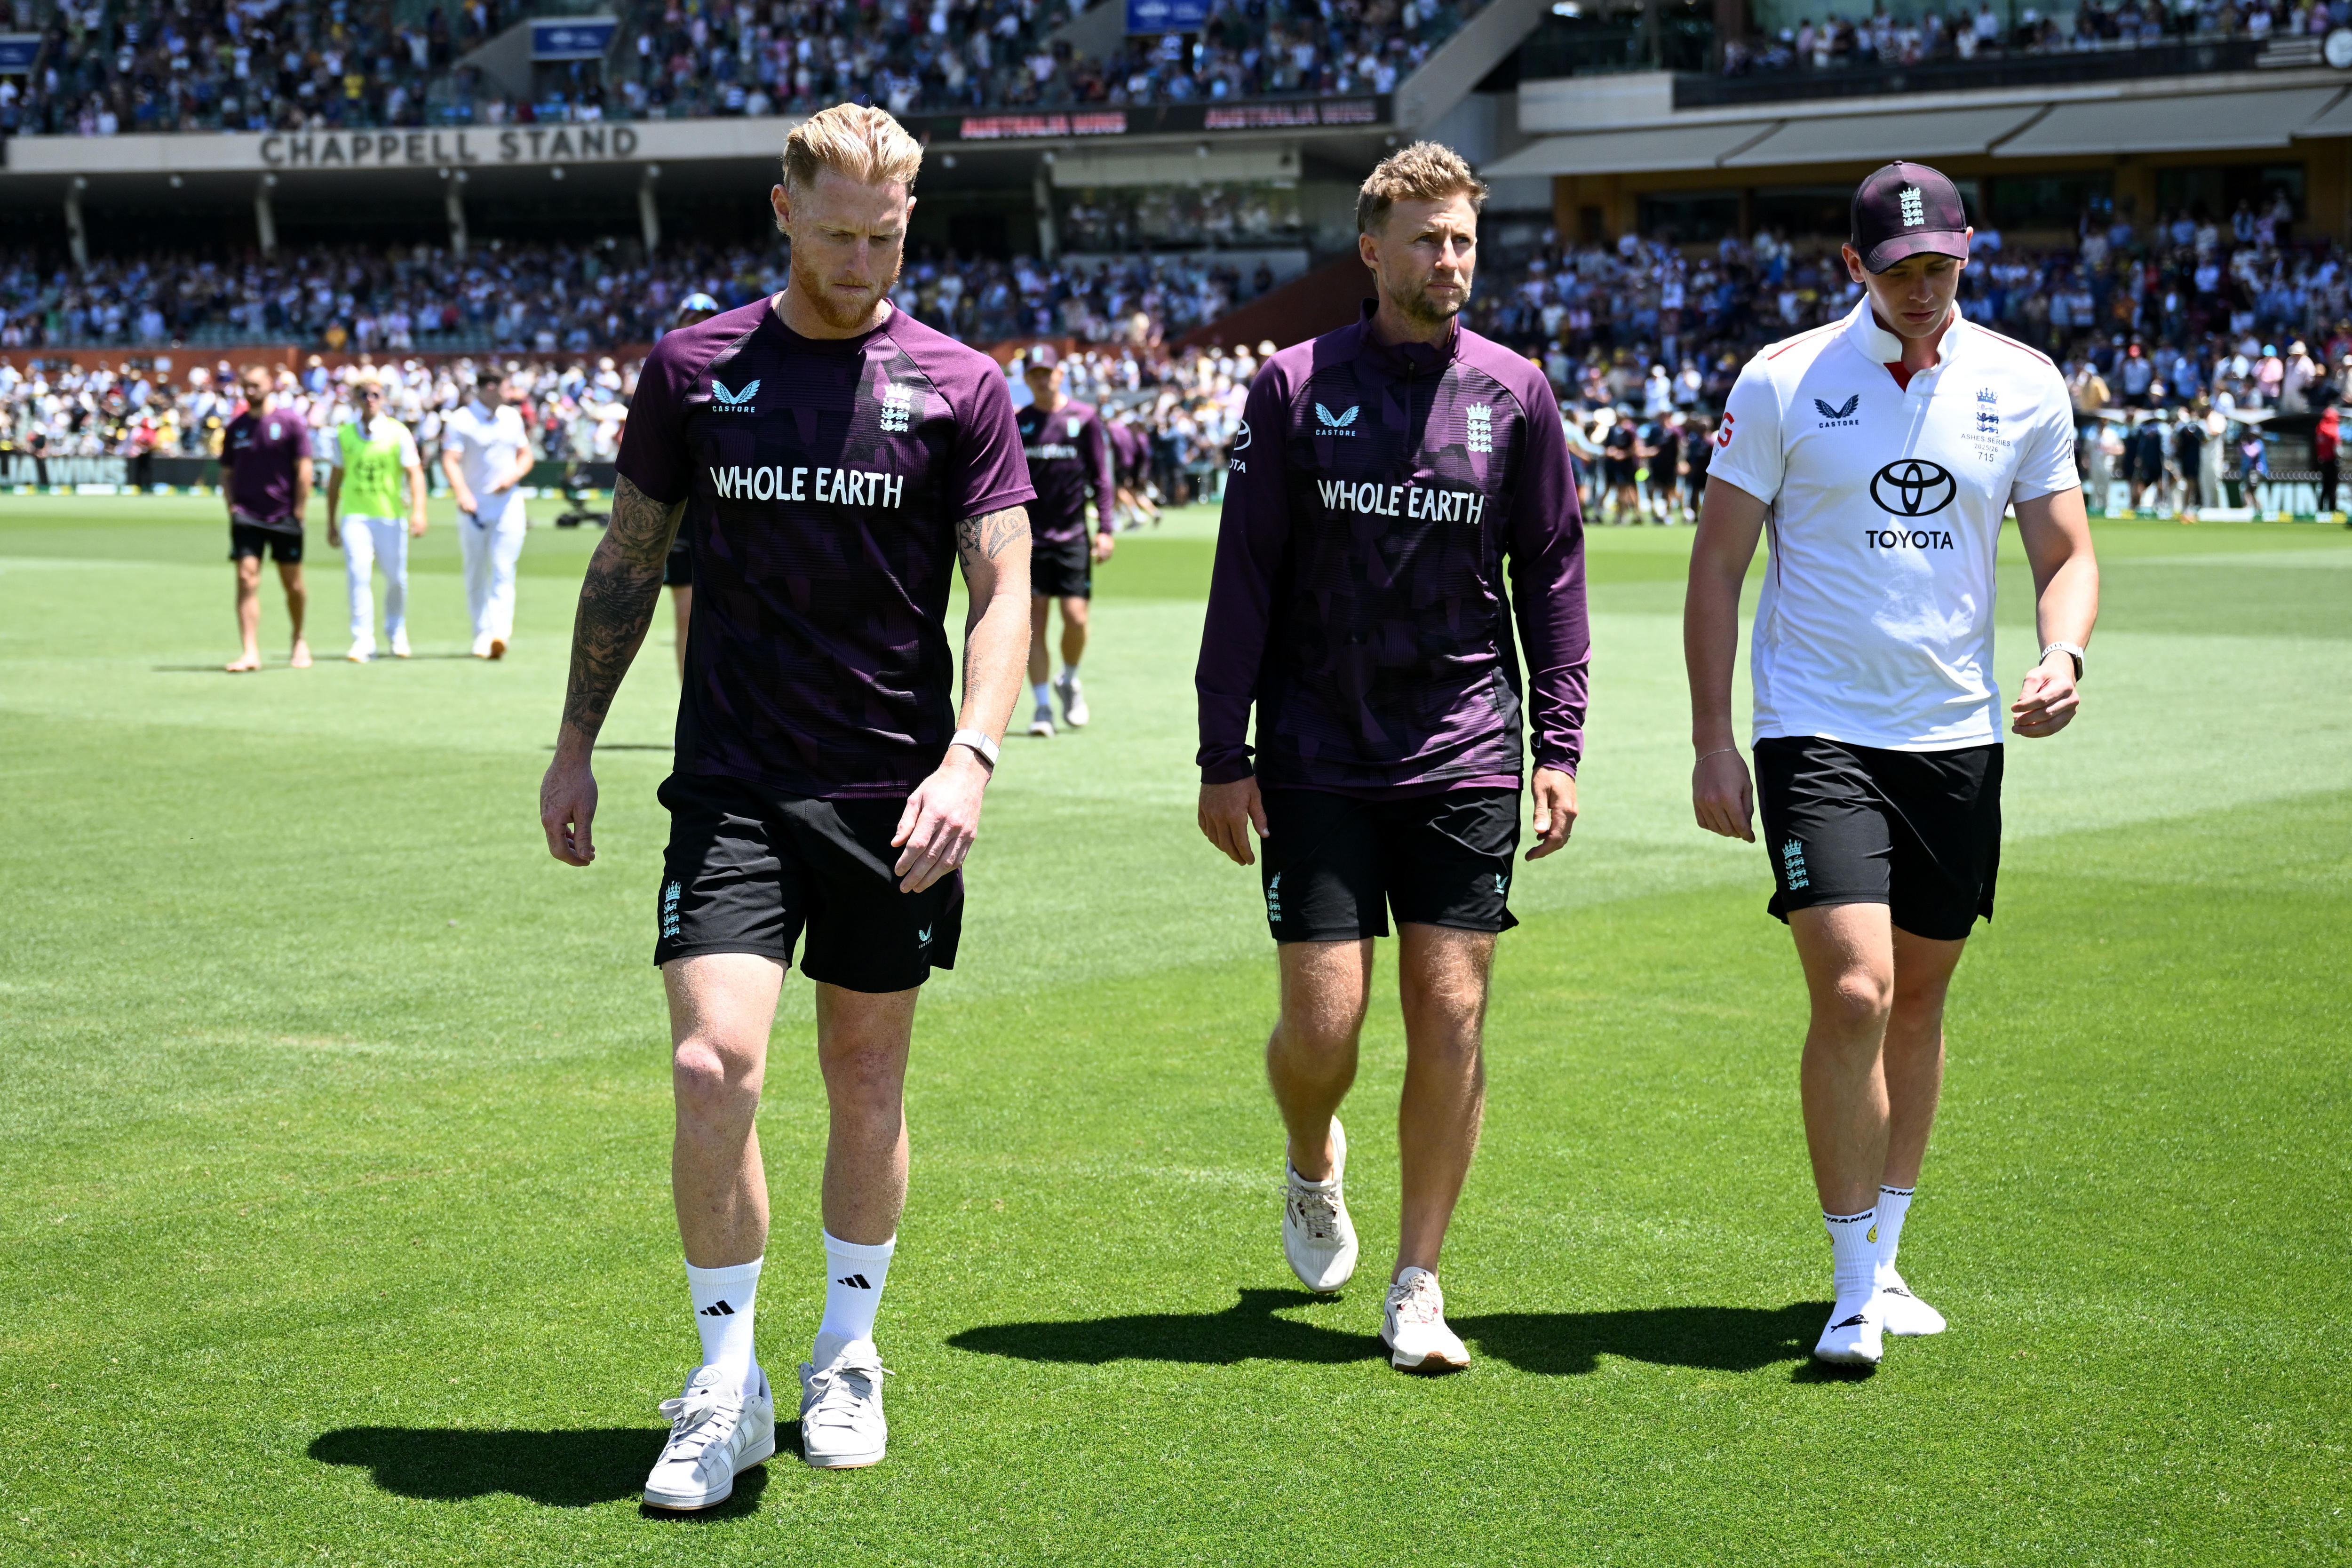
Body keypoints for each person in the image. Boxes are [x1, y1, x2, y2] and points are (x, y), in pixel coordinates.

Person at [536, 103, 1032, 1504]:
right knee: (713, 1068)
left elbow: (1005, 584)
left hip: (898, 797)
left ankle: (848, 1350)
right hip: (735, 788)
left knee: (865, 1084)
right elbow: (628, 564)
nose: (865, 259)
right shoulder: (694, 369)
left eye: (885, 235)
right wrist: (575, 740)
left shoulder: (959, 387)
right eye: (838, 234)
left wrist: (972, 756)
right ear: (780, 210)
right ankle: (722, 1378)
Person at [1685, 160, 2099, 1369]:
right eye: (1902, 269)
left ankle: (1891, 1256)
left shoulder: (2021, 384)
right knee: (1856, 990)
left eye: (1944, 267)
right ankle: (1851, 1281)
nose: (1925, 290)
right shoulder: (1781, 382)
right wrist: (1715, 737)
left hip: (1957, 737)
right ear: (1853, 269)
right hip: (1815, 731)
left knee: (1919, 998)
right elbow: (1717, 566)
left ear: (1967, 258)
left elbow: (2065, 551)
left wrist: (2062, 651)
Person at [1194, 141, 1588, 1375]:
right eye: (1428, 239)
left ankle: (1419, 1280)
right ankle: (1314, 1155)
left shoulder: (1517, 392)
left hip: (1467, 748)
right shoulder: (1294, 385)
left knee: (1453, 1010)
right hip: (1315, 751)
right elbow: (1245, 577)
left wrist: (1558, 742)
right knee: (1324, 1028)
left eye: (1465, 238)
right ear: (1372, 250)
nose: (1451, 260)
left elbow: (1555, 579)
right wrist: (1223, 749)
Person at [1014, 344, 1115, 737]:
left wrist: (1105, 529)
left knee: (1076, 618)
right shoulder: (1018, 421)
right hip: (1029, 539)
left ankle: (1069, 679)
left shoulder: (1084, 418)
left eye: (1049, 371)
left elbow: (1102, 479)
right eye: (1035, 372)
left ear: (1061, 374)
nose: (1043, 378)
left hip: (1073, 535)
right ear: (1026, 378)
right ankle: (1041, 708)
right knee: (1034, 622)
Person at [324, 373, 428, 662]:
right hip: (355, 516)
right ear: (355, 399)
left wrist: (419, 510)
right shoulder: (344, 435)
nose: (370, 400)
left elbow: (415, 474)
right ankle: (363, 640)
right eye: (364, 395)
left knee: (397, 579)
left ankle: (396, 632)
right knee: (358, 574)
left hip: (390, 516)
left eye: (375, 395)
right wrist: (331, 521)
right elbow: (335, 481)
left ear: (383, 399)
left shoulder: (399, 433)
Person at [220, 364, 314, 673]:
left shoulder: (290, 423)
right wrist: (233, 507)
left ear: (270, 384)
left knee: (293, 583)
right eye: (245, 386)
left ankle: (299, 637)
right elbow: (227, 472)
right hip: (248, 515)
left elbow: (304, 469)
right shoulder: (236, 428)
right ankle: (250, 651)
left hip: (284, 514)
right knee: (246, 577)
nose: (250, 391)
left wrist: (299, 511)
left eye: (256, 385)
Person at [441, 368, 533, 659]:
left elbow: (525, 454)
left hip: (508, 504)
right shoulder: (461, 420)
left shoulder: (511, 417)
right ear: (491, 387)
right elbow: (451, 460)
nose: (511, 393)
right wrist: (463, 493)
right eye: (506, 387)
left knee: (505, 568)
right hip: (475, 505)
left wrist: (514, 475)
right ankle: (481, 633)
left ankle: (499, 634)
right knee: (476, 570)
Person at [664, 293, 724, 676]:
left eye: (706, 318)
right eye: (692, 317)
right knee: (687, 614)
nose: (698, 325)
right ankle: (694, 711)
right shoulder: (666, 370)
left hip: (725, 505)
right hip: (681, 510)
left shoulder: (736, 367)